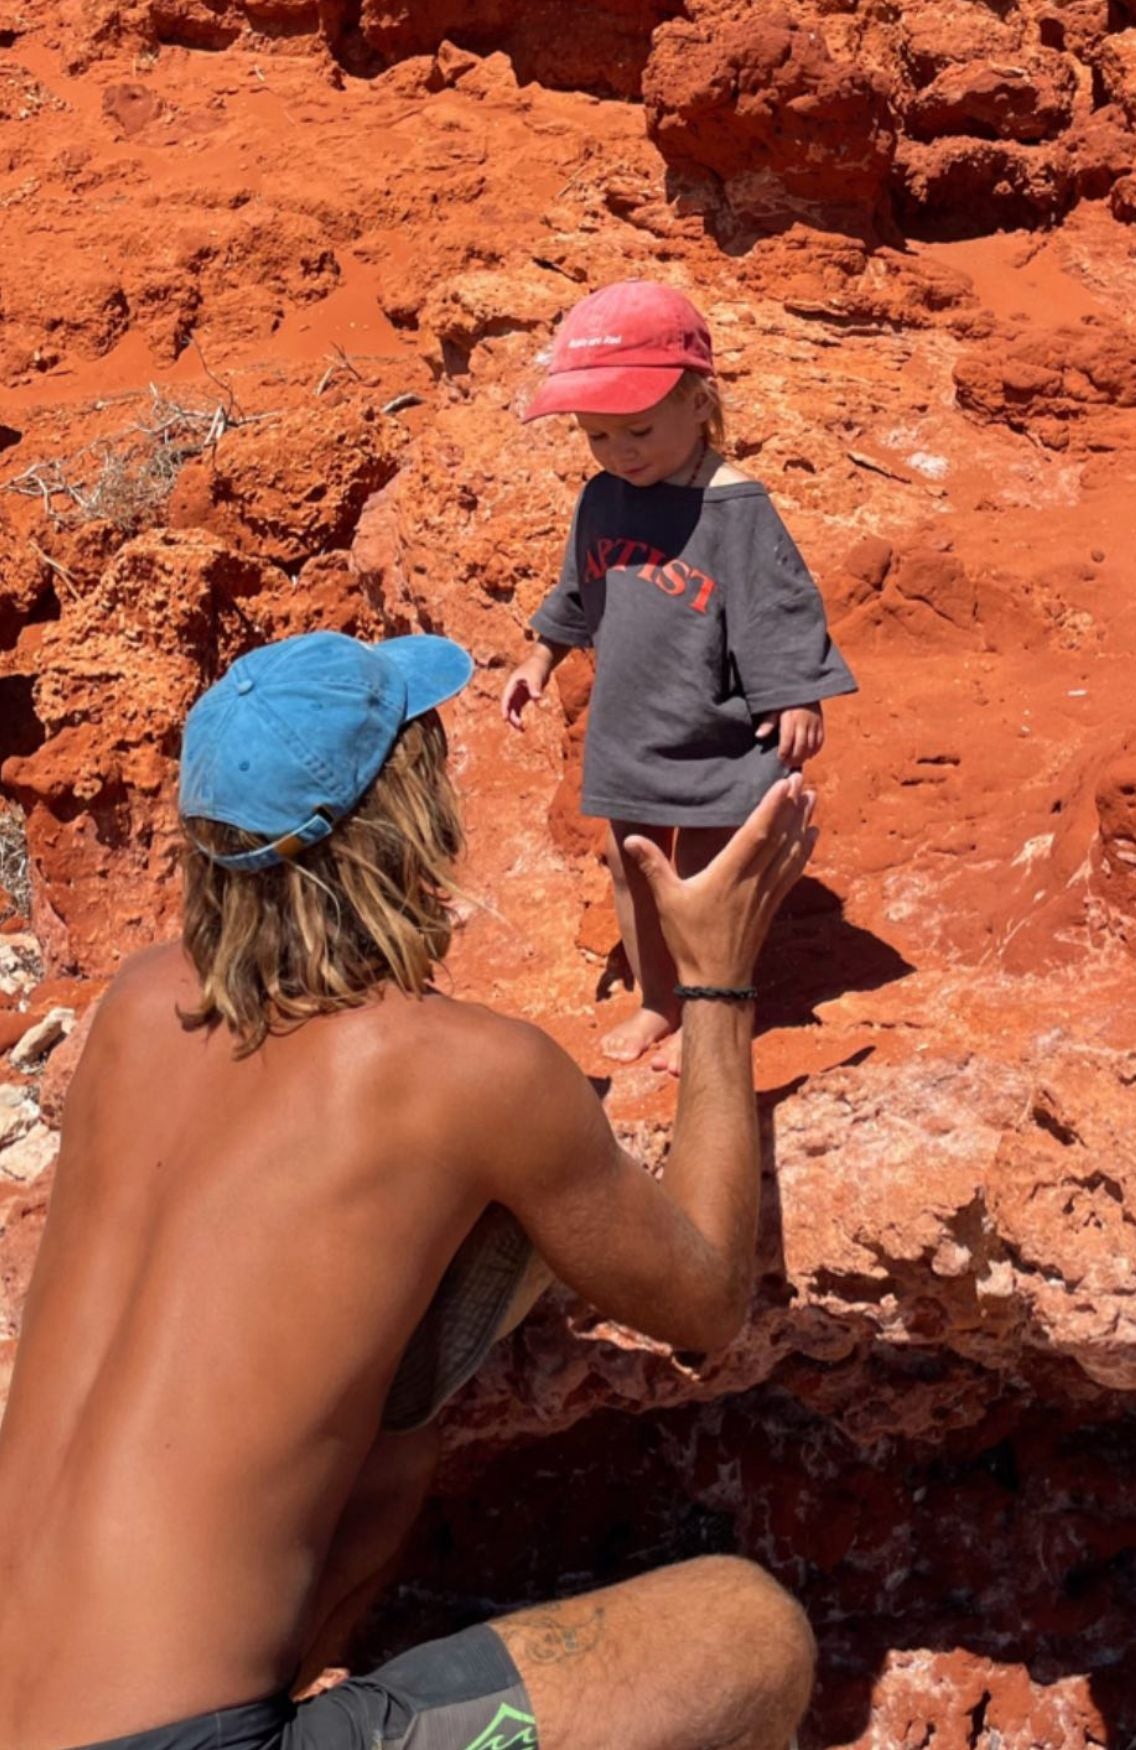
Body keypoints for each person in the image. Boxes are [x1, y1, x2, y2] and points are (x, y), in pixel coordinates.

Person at [0, 629, 818, 1750]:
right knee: (748, 1631)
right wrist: (716, 972)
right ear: (406, 814)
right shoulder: (464, 1073)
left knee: (410, 1393)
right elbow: (706, 1299)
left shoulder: (137, 1007)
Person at [501, 280, 856, 1075]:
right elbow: (573, 591)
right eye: (596, 436)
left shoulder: (735, 508)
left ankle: (712, 1006)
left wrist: (796, 691)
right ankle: (657, 1000)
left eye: (637, 429)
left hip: (713, 733)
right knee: (631, 871)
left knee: (703, 880)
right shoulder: (603, 499)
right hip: (629, 729)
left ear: (701, 402)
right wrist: (538, 657)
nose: (619, 452)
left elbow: (778, 606)